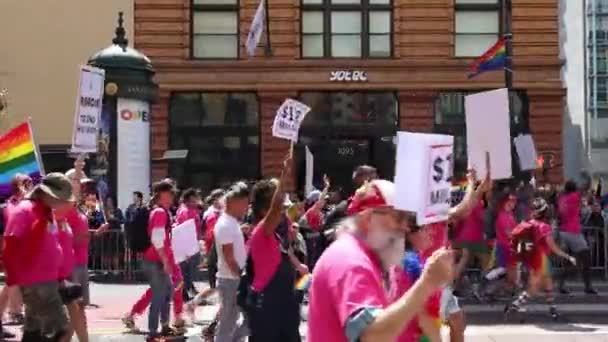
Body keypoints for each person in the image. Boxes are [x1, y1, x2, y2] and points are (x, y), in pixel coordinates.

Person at [307, 178, 454, 342]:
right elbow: (372, 336)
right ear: (368, 218)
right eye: (398, 217)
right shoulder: (351, 261)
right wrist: (426, 284)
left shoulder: (365, 258)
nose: (405, 227)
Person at [244, 153, 308, 342]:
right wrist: (285, 174)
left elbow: (295, 264)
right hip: (266, 305)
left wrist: (301, 273)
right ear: (265, 210)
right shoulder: (261, 233)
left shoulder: (279, 235)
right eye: (281, 210)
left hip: (285, 304)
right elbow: (275, 207)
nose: (285, 214)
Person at [4, 173, 75, 342]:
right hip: (35, 282)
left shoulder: (45, 211)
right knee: (61, 330)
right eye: (59, 198)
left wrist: (58, 277)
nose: (61, 202)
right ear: (47, 194)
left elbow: (50, 243)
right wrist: (13, 285)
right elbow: (10, 249)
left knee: (33, 333)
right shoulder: (25, 211)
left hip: (45, 280)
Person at [506, 197, 577, 319]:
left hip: (533, 258)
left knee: (548, 284)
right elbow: (552, 246)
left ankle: (553, 310)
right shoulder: (544, 227)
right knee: (534, 288)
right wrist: (567, 256)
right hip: (541, 259)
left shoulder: (530, 223)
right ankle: (515, 305)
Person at [142, 180, 179, 341]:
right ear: (162, 194)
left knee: (167, 293)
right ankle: (153, 331)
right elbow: (157, 240)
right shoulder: (160, 213)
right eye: (170, 193)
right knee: (159, 295)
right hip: (155, 261)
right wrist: (165, 261)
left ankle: (164, 326)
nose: (172, 196)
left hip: (157, 260)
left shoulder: (161, 211)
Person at [213, 182, 250, 342]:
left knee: (232, 322)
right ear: (236, 202)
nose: (247, 207)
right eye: (245, 203)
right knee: (227, 325)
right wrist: (242, 277)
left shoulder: (231, 222)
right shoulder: (225, 224)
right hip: (231, 280)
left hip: (232, 279)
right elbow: (229, 258)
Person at [557, 180, 597, 295]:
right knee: (586, 258)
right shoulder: (574, 196)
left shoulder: (562, 199)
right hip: (573, 232)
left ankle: (561, 285)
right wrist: (586, 177)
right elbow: (587, 185)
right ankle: (588, 286)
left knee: (570, 260)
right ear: (574, 189)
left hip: (564, 232)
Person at [176, 188, 203, 301]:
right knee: (187, 270)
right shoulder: (186, 211)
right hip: (187, 245)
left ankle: (187, 290)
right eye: (194, 199)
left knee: (186, 270)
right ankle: (183, 293)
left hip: (189, 244)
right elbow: (186, 230)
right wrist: (188, 249)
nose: (196, 201)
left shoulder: (189, 210)